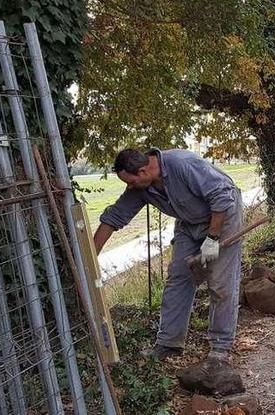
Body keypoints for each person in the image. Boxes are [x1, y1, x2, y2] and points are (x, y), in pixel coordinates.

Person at [93, 148, 243, 361]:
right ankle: (169, 343)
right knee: (178, 276)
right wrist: (88, 259)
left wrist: (212, 238)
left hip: (223, 215)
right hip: (189, 222)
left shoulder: (182, 164)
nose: (129, 187)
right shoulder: (142, 186)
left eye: (130, 182)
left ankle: (220, 347)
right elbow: (114, 217)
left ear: (143, 171)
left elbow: (221, 195)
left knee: (220, 282)